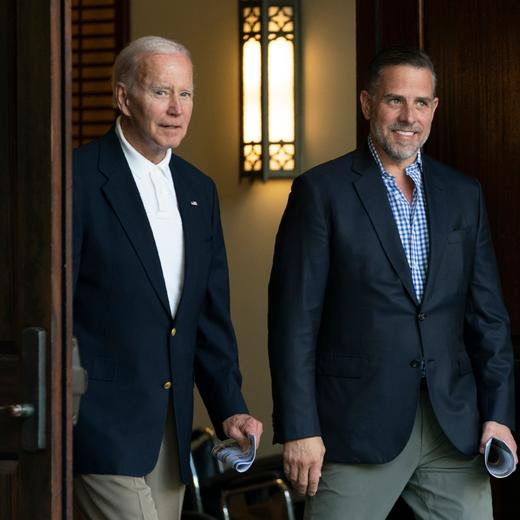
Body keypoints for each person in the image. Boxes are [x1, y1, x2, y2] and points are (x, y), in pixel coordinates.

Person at [268, 46, 517, 519]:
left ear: (434, 109)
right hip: (356, 424)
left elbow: (488, 316)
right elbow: (293, 322)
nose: (409, 117)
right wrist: (300, 427)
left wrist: (500, 415)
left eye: (421, 103)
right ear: (367, 104)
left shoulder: (464, 194)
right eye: (394, 101)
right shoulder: (321, 192)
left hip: (452, 428)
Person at [73, 35, 262, 520]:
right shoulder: (77, 178)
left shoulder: (200, 190)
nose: (176, 108)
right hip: (99, 427)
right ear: (123, 97)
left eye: (186, 94)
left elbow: (207, 319)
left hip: (171, 432)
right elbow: (54, 309)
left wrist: (229, 410)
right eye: (161, 92)